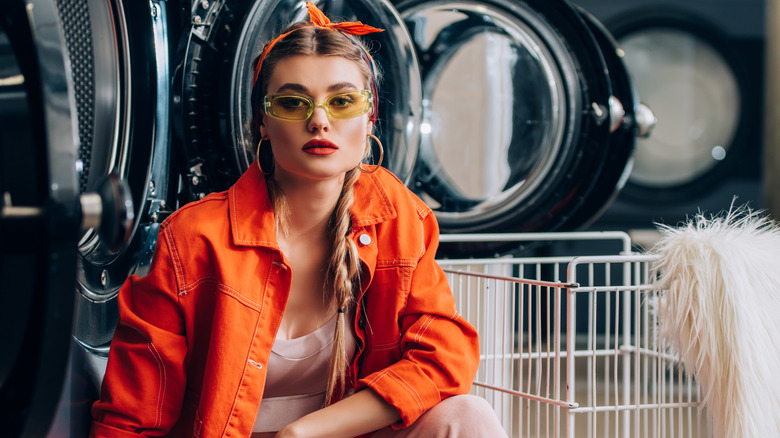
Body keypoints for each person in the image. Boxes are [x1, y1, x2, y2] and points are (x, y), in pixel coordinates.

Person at [90, 3, 506, 437]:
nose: (319, 120)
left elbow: (443, 356)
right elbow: (132, 417)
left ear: (369, 121)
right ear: (263, 123)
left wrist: (304, 431)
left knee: (467, 416)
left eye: (342, 101)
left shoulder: (396, 216)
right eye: (292, 103)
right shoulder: (194, 239)